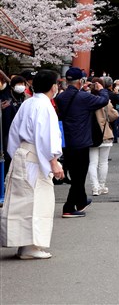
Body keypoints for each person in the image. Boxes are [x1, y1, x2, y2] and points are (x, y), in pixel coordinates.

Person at [0, 70, 64, 259]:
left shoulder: (28, 103)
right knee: (37, 203)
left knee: (22, 203)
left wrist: (16, 154)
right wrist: (53, 161)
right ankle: (31, 246)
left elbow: (13, 133)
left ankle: (24, 244)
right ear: (53, 86)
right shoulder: (45, 106)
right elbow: (46, 136)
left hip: (22, 154)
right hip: (37, 157)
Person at [55, 67, 109, 218]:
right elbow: (103, 101)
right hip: (81, 141)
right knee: (79, 176)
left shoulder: (61, 97)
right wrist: (101, 89)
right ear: (81, 81)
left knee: (75, 172)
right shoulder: (83, 97)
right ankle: (68, 207)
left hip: (67, 141)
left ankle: (81, 201)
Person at [88, 79, 119, 196]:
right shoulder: (105, 101)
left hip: (91, 134)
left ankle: (94, 187)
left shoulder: (87, 100)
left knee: (92, 162)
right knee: (103, 162)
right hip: (105, 133)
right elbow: (114, 115)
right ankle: (102, 185)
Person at [1, 75, 30, 175]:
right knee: (8, 155)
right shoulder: (5, 97)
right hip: (7, 131)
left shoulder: (26, 98)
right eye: (18, 84)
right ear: (12, 86)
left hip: (22, 131)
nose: (21, 86)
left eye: (23, 84)